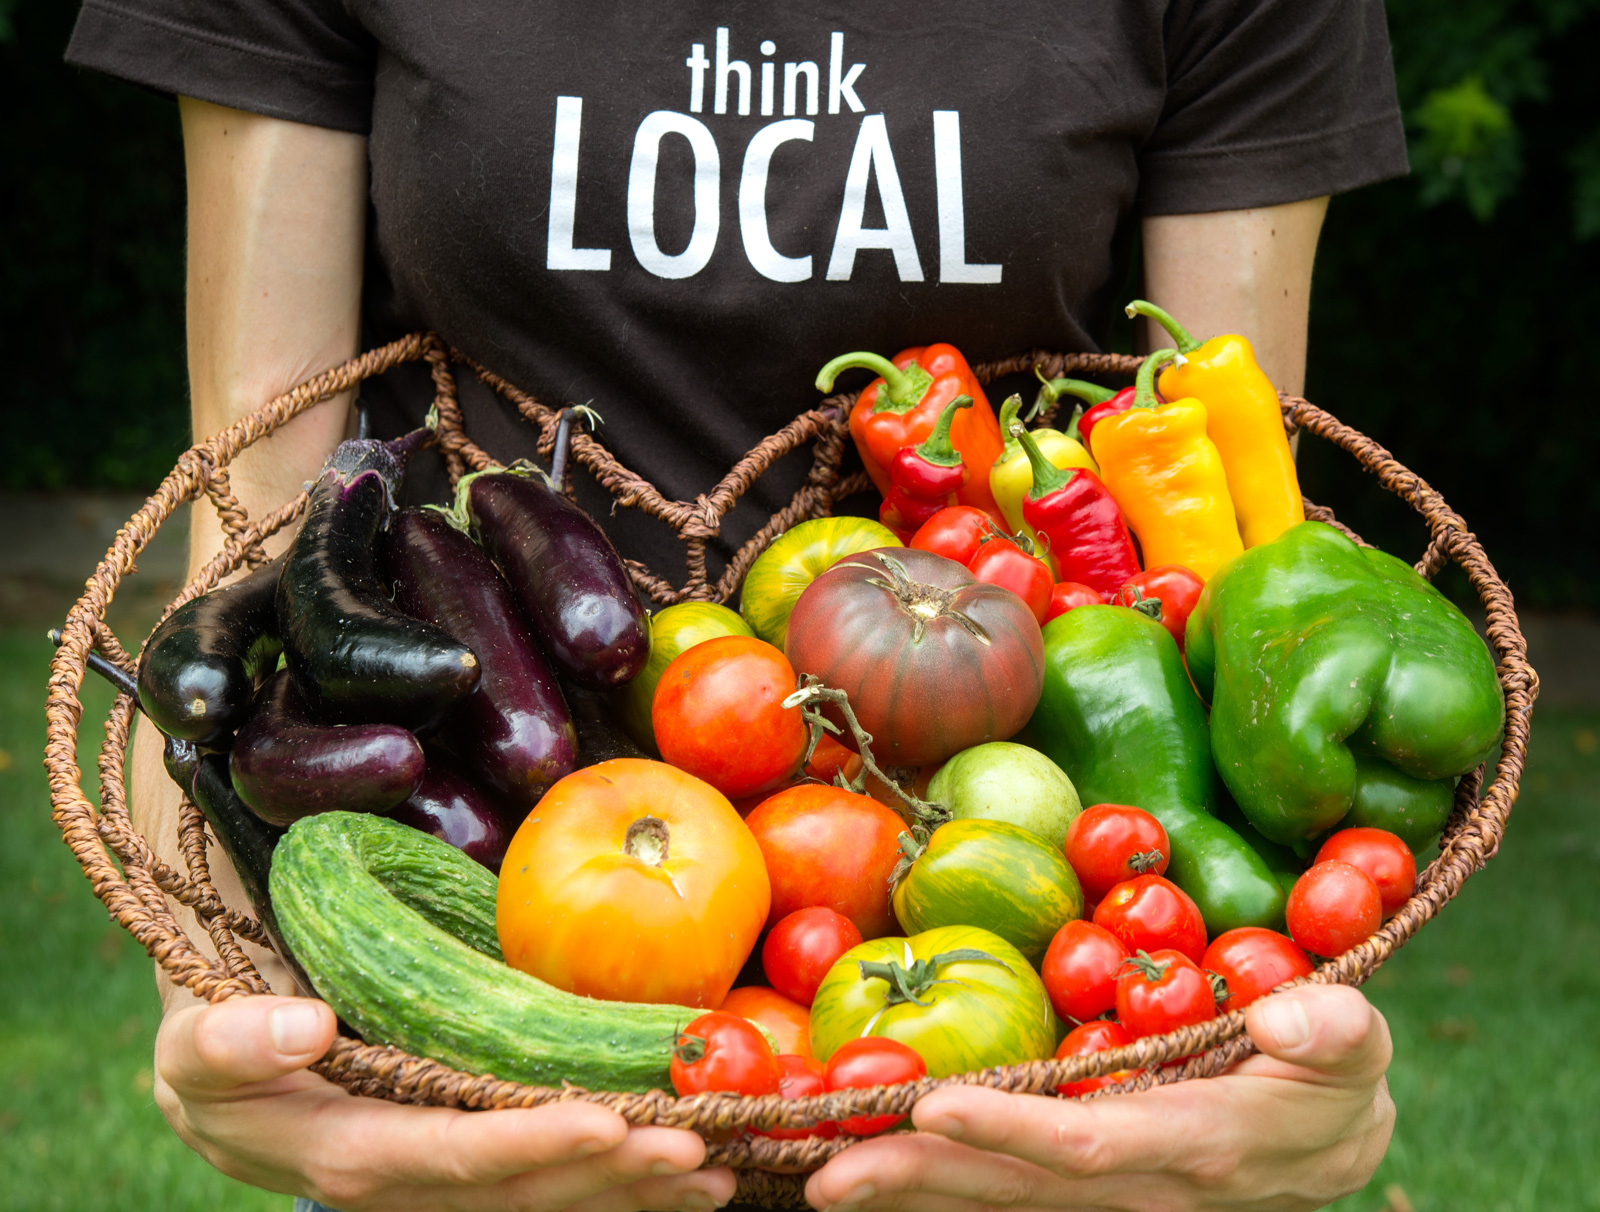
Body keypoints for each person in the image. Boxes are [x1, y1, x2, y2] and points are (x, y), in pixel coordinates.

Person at [66, 2, 1408, 1209]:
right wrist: (225, 982)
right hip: (474, 1006)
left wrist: (1265, 1087)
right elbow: (252, 542)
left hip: (1021, 1093)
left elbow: (1238, 571)